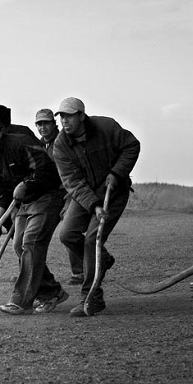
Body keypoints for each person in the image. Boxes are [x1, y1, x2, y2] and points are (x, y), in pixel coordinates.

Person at [0, 114, 68, 314]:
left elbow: (48, 170)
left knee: (31, 243)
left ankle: (21, 301)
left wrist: (26, 184)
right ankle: (52, 292)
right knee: (19, 245)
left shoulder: (20, 144)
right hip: (23, 202)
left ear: (0, 133)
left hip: (47, 197)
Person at [53, 97, 140, 317]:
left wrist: (117, 173)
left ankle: (91, 298)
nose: (64, 121)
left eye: (69, 116)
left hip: (114, 191)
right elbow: (72, 181)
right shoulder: (61, 144)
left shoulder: (107, 127)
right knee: (67, 234)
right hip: (85, 195)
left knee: (92, 239)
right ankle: (103, 258)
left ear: (81, 116)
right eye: (61, 116)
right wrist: (93, 205)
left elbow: (131, 145)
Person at [35, 108, 83, 286]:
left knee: (68, 228)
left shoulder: (64, 141)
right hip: (52, 194)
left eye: (46, 123)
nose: (42, 127)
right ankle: (36, 273)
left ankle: (80, 271)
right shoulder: (40, 145)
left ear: (53, 124)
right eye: (39, 124)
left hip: (70, 191)